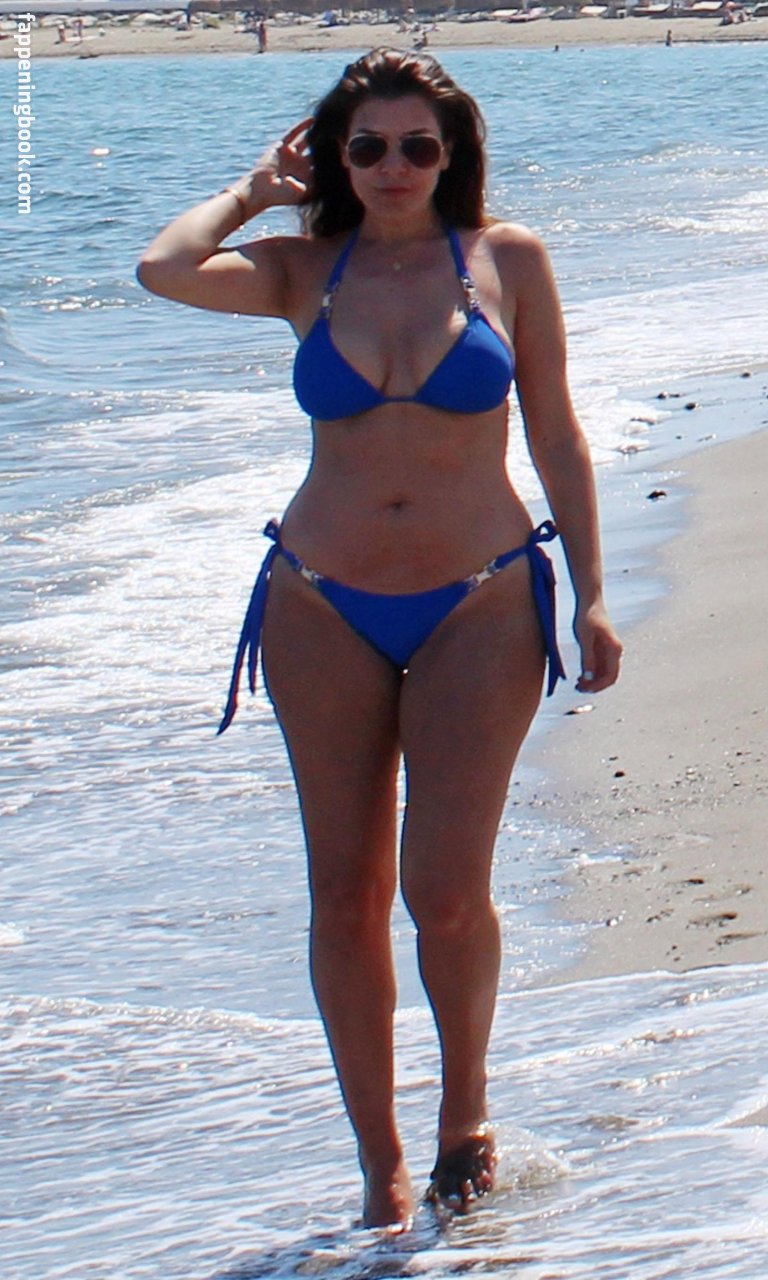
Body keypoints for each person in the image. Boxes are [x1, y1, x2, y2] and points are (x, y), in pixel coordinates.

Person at [136, 48, 621, 1231]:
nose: (392, 165)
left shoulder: (506, 259)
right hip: (318, 603)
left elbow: (554, 431)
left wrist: (591, 593)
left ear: (448, 154)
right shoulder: (303, 268)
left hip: (478, 597)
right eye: (366, 146)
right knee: (343, 894)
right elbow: (162, 267)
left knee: (442, 892)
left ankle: (464, 1114)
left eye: (415, 145)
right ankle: (381, 1166)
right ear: (334, 160)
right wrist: (254, 192)